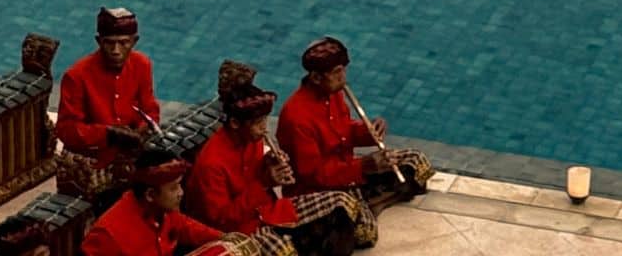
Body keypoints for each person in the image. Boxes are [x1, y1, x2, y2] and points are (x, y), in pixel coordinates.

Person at [190, 80, 364, 256]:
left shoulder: (252, 139)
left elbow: (255, 173)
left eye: (265, 119)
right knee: (283, 251)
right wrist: (264, 184)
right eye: (258, 122)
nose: (264, 127)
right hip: (243, 229)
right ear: (235, 123)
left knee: (344, 203)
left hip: (271, 211)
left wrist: (270, 163)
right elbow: (222, 220)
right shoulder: (212, 163)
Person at [276, 37, 433, 228]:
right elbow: (314, 175)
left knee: (417, 163)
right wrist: (362, 167)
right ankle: (370, 203)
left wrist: (368, 130)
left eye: (343, 69)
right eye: (336, 72)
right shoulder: (296, 117)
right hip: (318, 189)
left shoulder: (334, 93)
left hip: (348, 174)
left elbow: (344, 130)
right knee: (364, 230)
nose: (343, 77)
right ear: (316, 78)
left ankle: (374, 203)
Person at [81, 152, 267, 256]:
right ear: (150, 194)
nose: (181, 193)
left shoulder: (162, 210)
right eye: (174, 188)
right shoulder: (109, 235)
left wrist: (226, 239)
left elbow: (185, 226)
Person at [57, 8, 162, 165]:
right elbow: (67, 131)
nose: (116, 51)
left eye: (123, 43)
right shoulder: (76, 76)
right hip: (92, 163)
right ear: (99, 41)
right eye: (109, 43)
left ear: (134, 41)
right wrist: (108, 134)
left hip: (132, 157)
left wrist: (142, 130)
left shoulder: (142, 65)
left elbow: (150, 110)